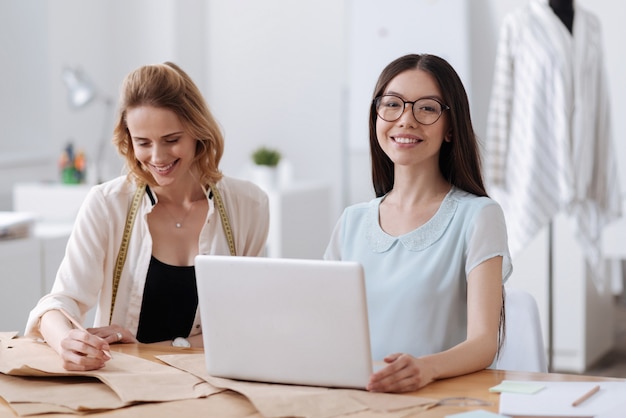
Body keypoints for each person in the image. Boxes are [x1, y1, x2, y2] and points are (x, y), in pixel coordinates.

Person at [25, 62, 270, 371]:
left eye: (171, 140)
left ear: (198, 131)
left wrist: (164, 348)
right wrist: (67, 342)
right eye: (143, 143)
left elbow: (246, 322)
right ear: (129, 140)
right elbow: (58, 303)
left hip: (211, 380)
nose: (157, 157)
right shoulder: (107, 205)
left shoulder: (248, 206)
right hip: (128, 382)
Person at [324, 54, 512, 393]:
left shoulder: (480, 216)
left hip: (440, 401)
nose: (405, 120)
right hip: (360, 399)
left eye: (426, 108)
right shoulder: (351, 222)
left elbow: (484, 343)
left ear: (451, 128)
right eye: (392, 104)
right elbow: (324, 326)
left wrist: (425, 369)